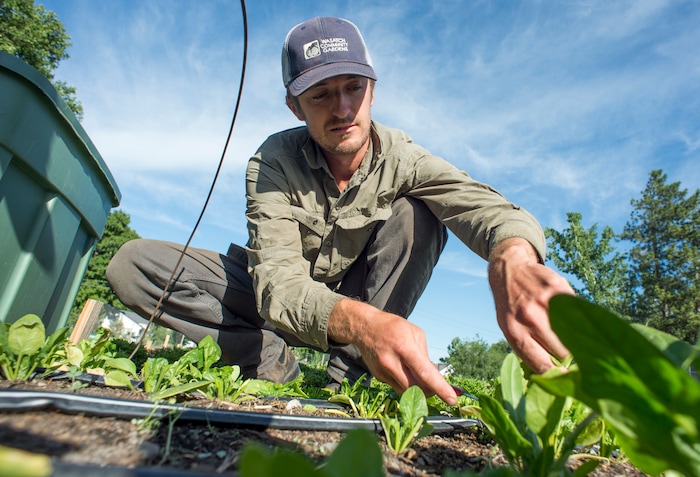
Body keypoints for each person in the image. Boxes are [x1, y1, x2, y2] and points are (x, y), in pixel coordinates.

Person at [106, 16, 574, 406]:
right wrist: (364, 324)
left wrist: (510, 260)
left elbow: (484, 207)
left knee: (421, 214)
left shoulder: (403, 157)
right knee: (134, 265)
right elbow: (280, 286)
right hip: (269, 290)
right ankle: (268, 361)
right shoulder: (271, 162)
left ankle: (348, 378)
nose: (343, 109)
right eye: (321, 95)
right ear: (295, 106)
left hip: (353, 300)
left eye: (354, 87)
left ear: (373, 90)